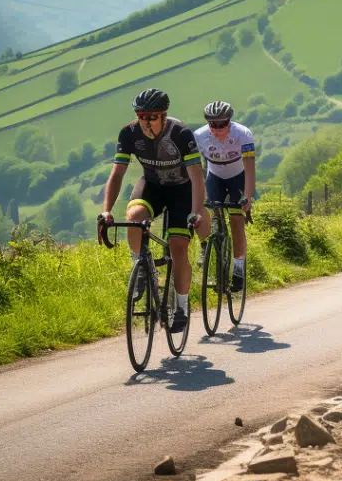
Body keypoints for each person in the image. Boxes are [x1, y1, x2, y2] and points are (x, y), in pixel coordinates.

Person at [99, 88, 205, 333]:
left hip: (182, 189)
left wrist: (197, 211)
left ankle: (181, 307)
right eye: (141, 116)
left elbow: (197, 177)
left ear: (163, 116)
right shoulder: (129, 133)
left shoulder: (180, 133)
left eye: (152, 117)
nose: (146, 122)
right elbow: (117, 174)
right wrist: (106, 211)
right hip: (153, 186)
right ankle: (141, 268)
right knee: (134, 218)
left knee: (178, 248)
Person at [194, 100, 255, 292]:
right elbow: (196, 170)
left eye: (222, 124)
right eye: (213, 125)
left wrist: (247, 196)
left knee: (236, 222)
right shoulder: (199, 136)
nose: (218, 129)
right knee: (204, 212)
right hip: (215, 177)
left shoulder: (242, 134)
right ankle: (207, 247)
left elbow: (250, 168)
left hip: (238, 177)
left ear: (230, 121)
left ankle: (238, 269)